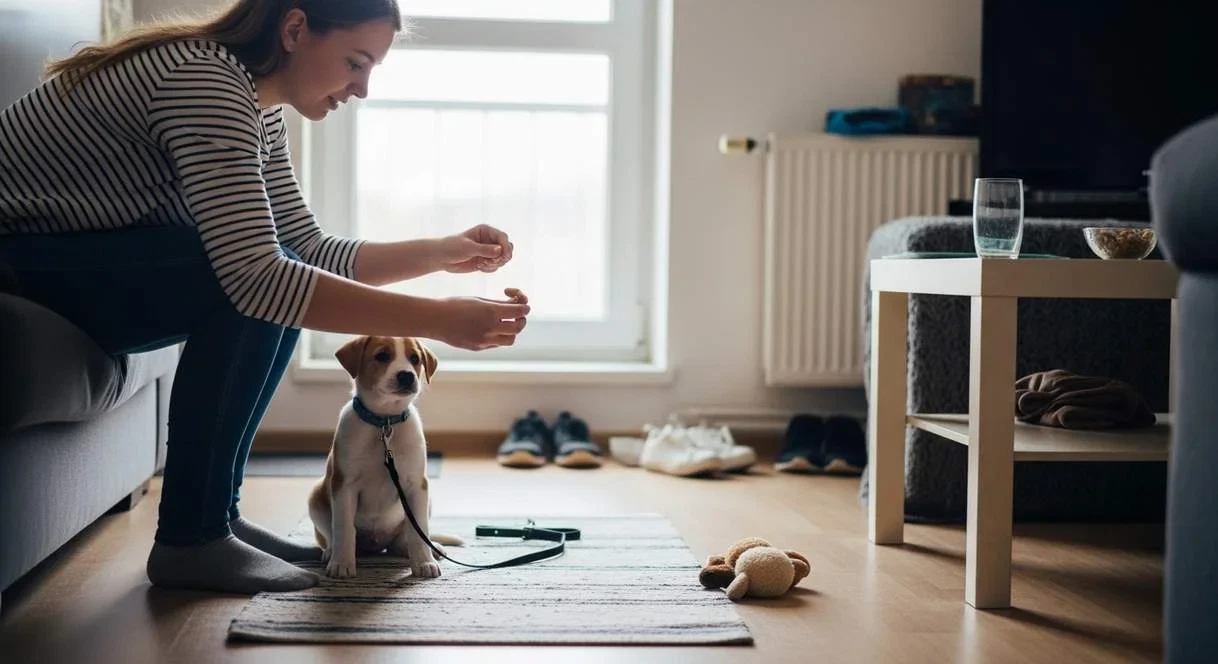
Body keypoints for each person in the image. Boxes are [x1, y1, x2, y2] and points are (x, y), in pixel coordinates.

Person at [0, 0, 531, 595]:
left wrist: (439, 252)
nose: (361, 90)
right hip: (19, 263)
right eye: (356, 63)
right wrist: (439, 322)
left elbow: (305, 246)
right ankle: (191, 536)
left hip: (60, 261)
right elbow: (257, 274)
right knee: (244, 276)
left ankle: (217, 519)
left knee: (267, 266)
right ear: (296, 28)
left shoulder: (256, 105)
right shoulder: (205, 81)